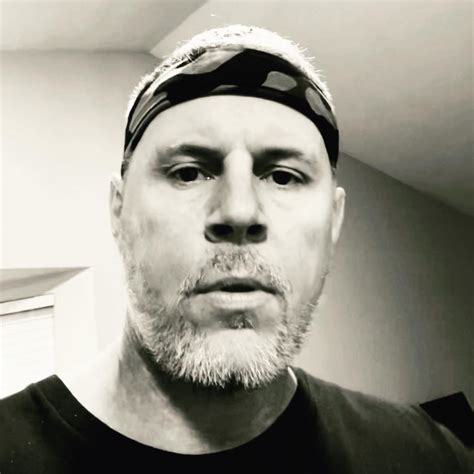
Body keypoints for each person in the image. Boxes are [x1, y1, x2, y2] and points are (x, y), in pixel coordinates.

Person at [0, 25, 470, 473]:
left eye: (283, 176)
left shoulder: (428, 457)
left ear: (334, 221)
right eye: (188, 172)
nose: (240, 211)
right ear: (118, 212)